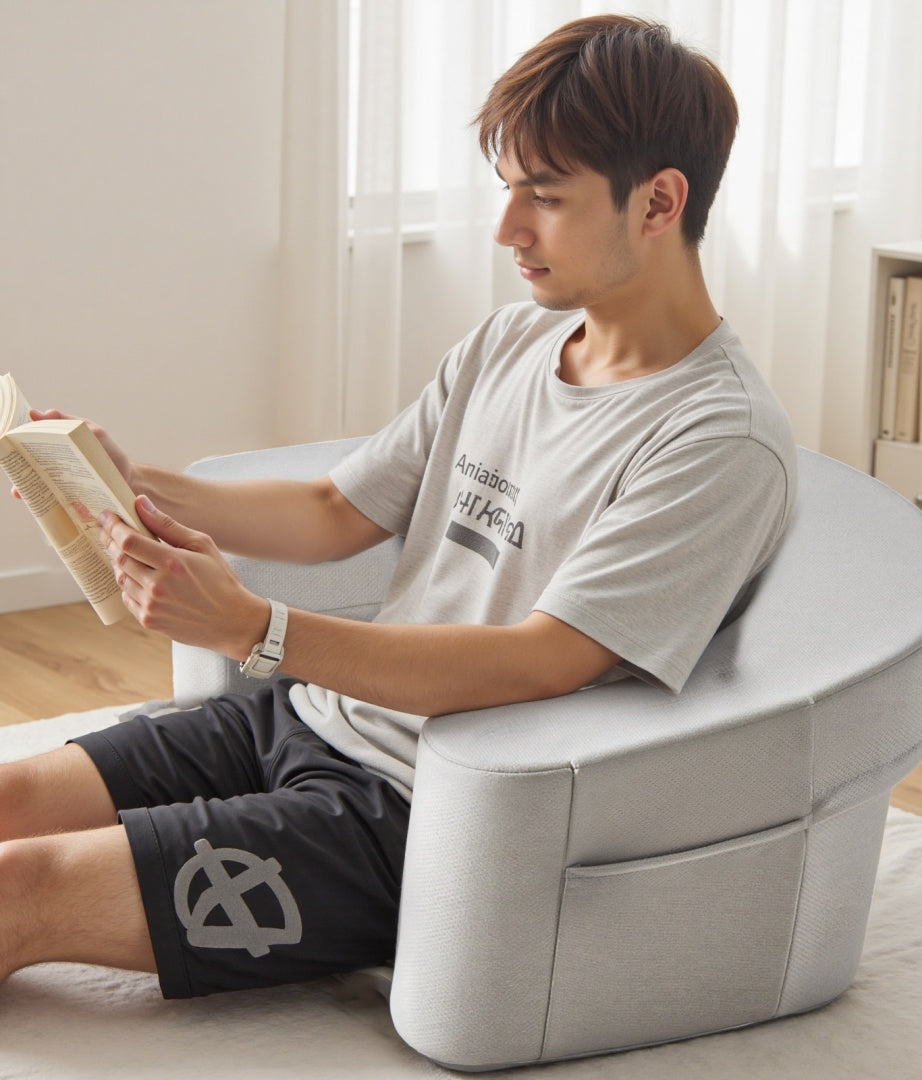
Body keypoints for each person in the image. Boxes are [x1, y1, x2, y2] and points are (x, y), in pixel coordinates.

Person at [0, 15, 795, 999]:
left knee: (19, 889)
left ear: (659, 203)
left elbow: (544, 661)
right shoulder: (508, 344)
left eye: (544, 198)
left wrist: (255, 626)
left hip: (423, 812)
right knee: (12, 796)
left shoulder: (718, 440)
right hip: (310, 717)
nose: (508, 231)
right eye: (510, 193)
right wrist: (131, 480)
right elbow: (338, 509)